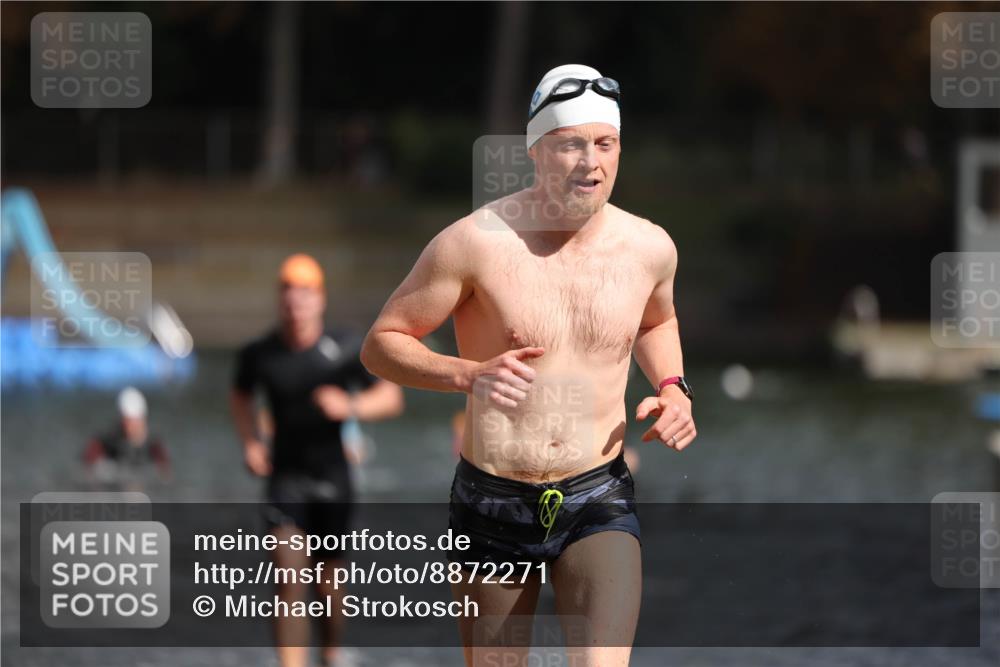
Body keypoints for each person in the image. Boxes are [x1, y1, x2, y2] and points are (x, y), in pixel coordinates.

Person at [361, 64, 696, 666]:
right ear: (537, 152)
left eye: (605, 143)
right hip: (494, 501)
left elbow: (656, 321)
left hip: (598, 493)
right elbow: (382, 343)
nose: (590, 162)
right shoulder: (474, 243)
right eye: (571, 144)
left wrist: (673, 387)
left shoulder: (650, 248)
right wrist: (467, 374)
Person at [230, 253, 404, 667]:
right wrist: (251, 442)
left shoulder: (344, 348)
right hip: (285, 476)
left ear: (320, 299)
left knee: (328, 586)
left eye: (305, 291)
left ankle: (330, 654)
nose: (296, 300)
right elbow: (240, 396)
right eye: (288, 290)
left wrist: (350, 404)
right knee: (288, 579)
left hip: (333, 479)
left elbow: (391, 397)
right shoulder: (260, 353)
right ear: (279, 298)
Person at [83, 386, 170, 488]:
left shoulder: (154, 444)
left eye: (136, 421)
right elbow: (87, 466)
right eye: (129, 421)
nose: (132, 427)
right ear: (122, 421)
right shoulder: (108, 440)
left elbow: (165, 474)